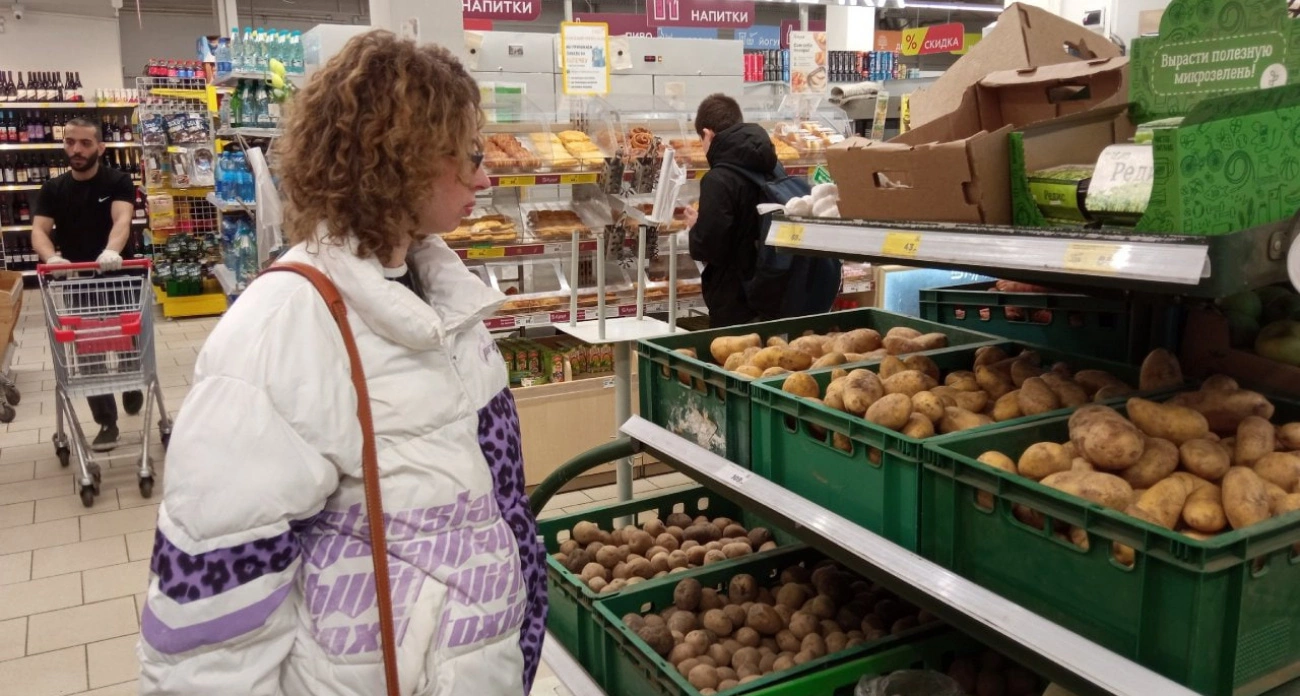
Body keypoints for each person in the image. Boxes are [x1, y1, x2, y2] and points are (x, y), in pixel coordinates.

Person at [137, 32, 546, 696]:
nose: (484, 177)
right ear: (401, 159)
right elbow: (210, 633)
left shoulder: (442, 297)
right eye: (469, 154)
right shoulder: (281, 331)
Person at [32, 116, 143, 452]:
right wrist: (51, 258)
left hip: (120, 276)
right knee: (90, 353)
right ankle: (107, 422)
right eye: (70, 142)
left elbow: (122, 219)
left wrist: (112, 250)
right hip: (79, 281)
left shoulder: (118, 181)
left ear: (100, 147)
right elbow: (39, 231)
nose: (76, 150)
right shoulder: (53, 189)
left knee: (129, 343)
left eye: (84, 143)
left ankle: (131, 379)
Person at [685, 94, 782, 328]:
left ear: (708, 134)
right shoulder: (773, 166)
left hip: (736, 300)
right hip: (775, 289)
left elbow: (709, 247)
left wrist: (696, 226)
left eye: (701, 140)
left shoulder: (718, 179)